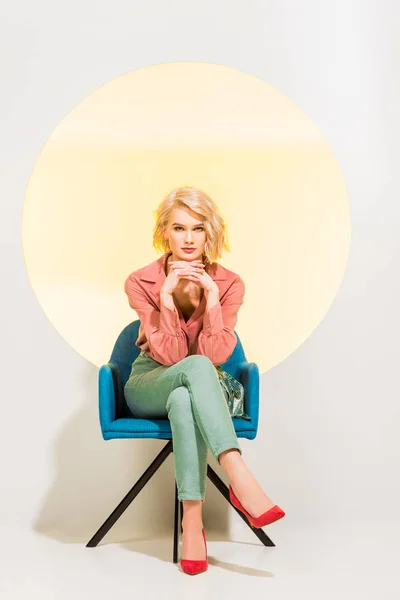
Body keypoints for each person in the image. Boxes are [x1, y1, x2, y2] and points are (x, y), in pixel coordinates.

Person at [123, 186, 285, 575]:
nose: (190, 239)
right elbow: (173, 358)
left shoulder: (229, 284)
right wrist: (164, 300)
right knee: (189, 371)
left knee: (184, 396)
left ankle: (192, 524)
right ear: (165, 232)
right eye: (179, 228)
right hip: (148, 383)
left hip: (190, 388)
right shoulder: (141, 282)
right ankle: (238, 474)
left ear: (210, 233)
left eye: (198, 228)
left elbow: (215, 358)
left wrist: (212, 300)